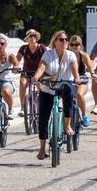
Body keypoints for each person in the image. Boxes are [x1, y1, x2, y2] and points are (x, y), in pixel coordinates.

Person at [30, 30, 79, 161]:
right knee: (43, 117)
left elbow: (75, 70)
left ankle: (67, 125)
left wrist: (77, 78)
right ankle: (42, 148)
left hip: (63, 85)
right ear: (55, 41)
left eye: (66, 40)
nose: (64, 42)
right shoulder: (48, 54)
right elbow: (41, 67)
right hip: (48, 87)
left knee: (69, 91)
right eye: (61, 39)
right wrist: (36, 77)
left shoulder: (71, 55)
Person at [16, 29, 46, 119]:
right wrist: (15, 67)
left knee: (41, 88)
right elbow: (17, 60)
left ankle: (43, 106)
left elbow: (46, 61)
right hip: (27, 72)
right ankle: (22, 107)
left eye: (34, 36)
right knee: (22, 83)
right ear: (27, 39)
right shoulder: (24, 48)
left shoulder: (42, 48)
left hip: (39, 73)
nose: (33, 38)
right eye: (30, 36)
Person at [67, 36, 92, 130]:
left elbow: (90, 68)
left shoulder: (84, 56)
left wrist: (93, 74)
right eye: (72, 44)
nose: (74, 46)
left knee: (79, 94)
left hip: (82, 79)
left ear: (80, 45)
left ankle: (84, 115)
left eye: (77, 44)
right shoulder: (67, 55)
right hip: (70, 79)